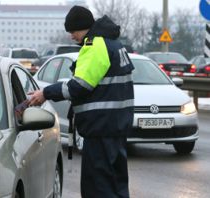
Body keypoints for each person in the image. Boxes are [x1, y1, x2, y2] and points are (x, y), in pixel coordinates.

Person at [28, 5, 134, 198]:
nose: (71, 36)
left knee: (98, 189)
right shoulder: (114, 44)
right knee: (116, 186)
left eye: (73, 31)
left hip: (101, 129)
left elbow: (79, 86)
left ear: (82, 27)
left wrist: (46, 93)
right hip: (115, 127)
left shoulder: (95, 46)